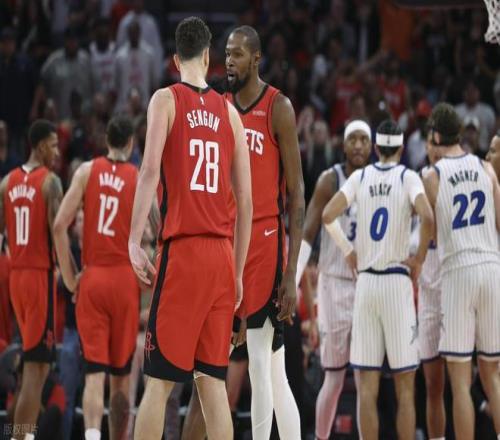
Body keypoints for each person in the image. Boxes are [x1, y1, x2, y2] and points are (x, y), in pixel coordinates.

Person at [128, 17, 252, 440]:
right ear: (208, 55)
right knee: (212, 386)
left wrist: (133, 241)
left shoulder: (165, 99)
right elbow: (246, 201)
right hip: (221, 257)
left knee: (159, 383)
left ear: (176, 60)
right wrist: (238, 273)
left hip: (183, 252)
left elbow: (148, 171)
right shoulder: (230, 113)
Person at [322, 119, 434, 440]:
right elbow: (427, 216)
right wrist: (419, 259)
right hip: (397, 283)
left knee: (366, 389)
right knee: (405, 388)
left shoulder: (360, 176)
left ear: (375, 148)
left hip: (367, 284)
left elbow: (328, 215)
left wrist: (348, 251)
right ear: (401, 148)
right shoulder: (408, 176)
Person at [225, 25, 304, 439]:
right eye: (226, 54)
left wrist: (291, 274)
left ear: (256, 59)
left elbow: (297, 193)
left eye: (237, 54)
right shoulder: (221, 107)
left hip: (266, 243)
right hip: (230, 242)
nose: (229, 61)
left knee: (257, 362)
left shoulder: (278, 107)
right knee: (273, 370)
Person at [53, 115, 141, 440]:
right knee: (121, 377)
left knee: (94, 374)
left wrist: (70, 278)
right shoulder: (138, 176)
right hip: (125, 280)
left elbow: (59, 226)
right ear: (130, 143)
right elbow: (160, 231)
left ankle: (91, 436)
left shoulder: (86, 171)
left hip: (93, 279)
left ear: (107, 141)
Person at [423, 103, 500, 440]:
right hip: (491, 266)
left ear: (436, 136)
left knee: (459, 381)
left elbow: (431, 233)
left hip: (458, 270)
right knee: (492, 375)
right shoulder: (486, 167)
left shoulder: (433, 176)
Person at [296, 119, 372, 440]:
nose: (358, 145)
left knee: (367, 377)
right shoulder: (330, 179)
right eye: (352, 139)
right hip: (334, 284)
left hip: (367, 284)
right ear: (343, 144)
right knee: (335, 376)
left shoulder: (377, 179)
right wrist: (294, 278)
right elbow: (308, 230)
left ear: (372, 146)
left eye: (363, 139)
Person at [0, 119, 62, 440]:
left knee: (32, 367)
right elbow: (58, 233)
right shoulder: (50, 182)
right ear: (40, 146)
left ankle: (19, 434)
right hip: (39, 278)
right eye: (53, 145)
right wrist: (71, 275)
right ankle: (20, 437)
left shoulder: (6, 182)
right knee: (37, 372)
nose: (57, 151)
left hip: (16, 278)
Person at [416, 129, 446, 440]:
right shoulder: (414, 182)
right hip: (427, 295)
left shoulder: (454, 178)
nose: (436, 149)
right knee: (433, 385)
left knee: (467, 380)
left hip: (456, 288)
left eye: (440, 144)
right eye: (431, 144)